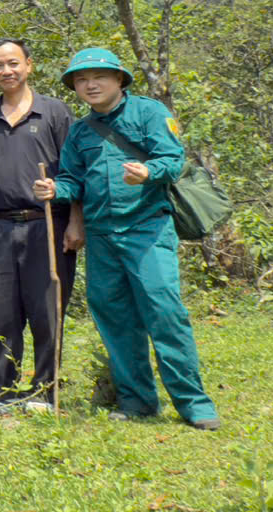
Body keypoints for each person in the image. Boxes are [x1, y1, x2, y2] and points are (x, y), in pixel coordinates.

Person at [33, 48, 220, 430]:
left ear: (119, 80)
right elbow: (73, 179)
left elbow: (173, 159)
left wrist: (148, 172)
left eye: (99, 76)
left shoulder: (149, 113)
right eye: (82, 80)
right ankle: (137, 401)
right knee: (116, 319)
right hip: (102, 236)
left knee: (164, 312)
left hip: (147, 228)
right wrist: (56, 189)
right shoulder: (80, 132)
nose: (90, 84)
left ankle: (194, 403)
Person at [0, 40, 84, 413]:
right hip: (1, 227)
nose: (6, 71)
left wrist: (76, 222)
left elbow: (75, 171)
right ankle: (2, 393)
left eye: (13, 63)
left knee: (48, 311)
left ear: (29, 64)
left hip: (48, 223)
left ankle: (45, 391)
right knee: (2, 312)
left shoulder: (55, 113)